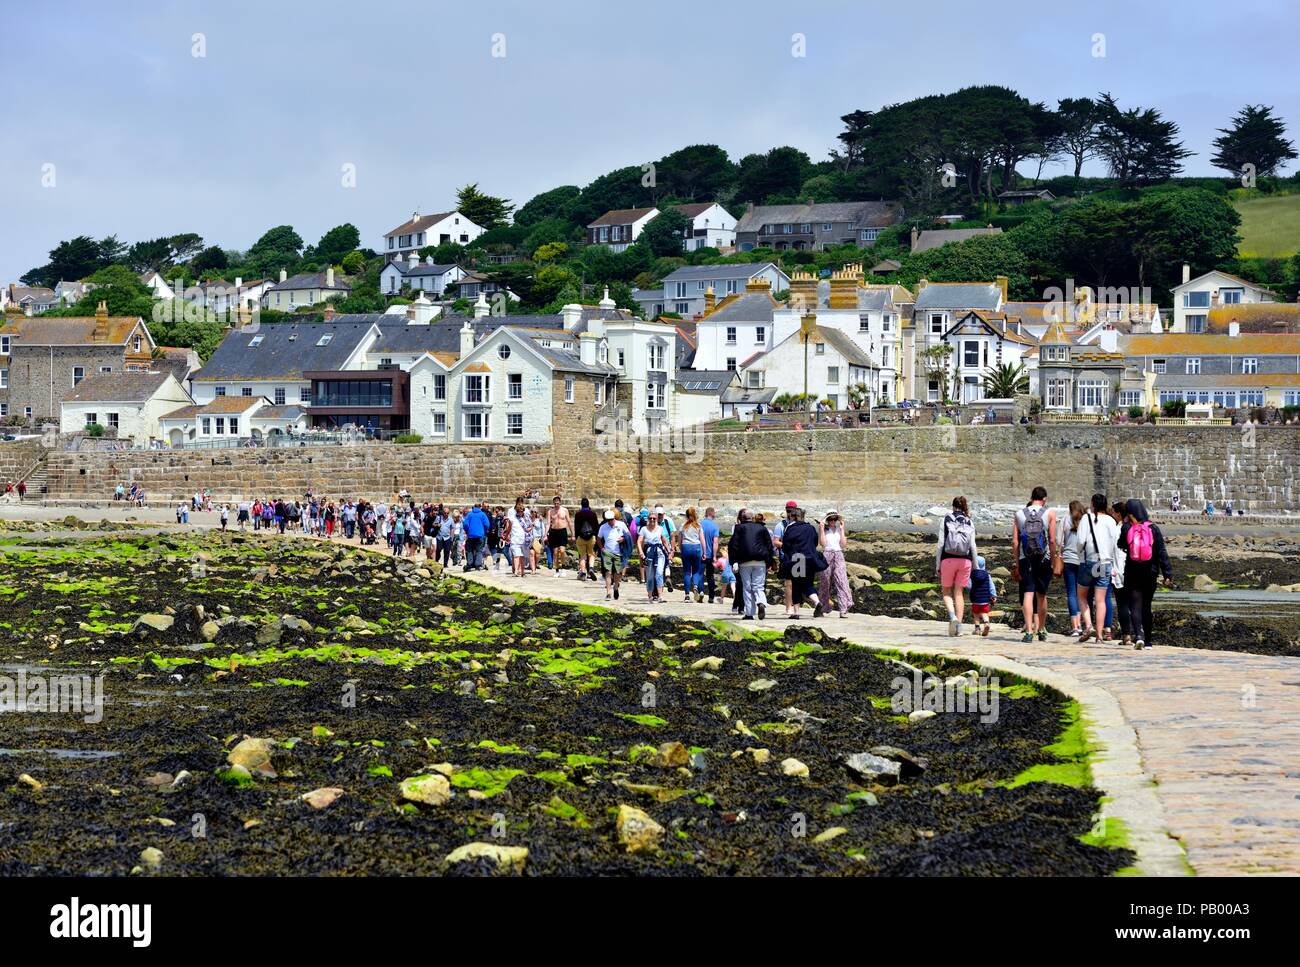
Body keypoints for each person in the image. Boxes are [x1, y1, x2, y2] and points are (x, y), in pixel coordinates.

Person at [1118, 499, 1173, 650]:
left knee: (1135, 605)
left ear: (1130, 513)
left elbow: (1121, 544)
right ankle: (1148, 641)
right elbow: (1162, 552)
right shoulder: (1153, 528)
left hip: (1132, 571)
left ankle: (1138, 636)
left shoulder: (1127, 528)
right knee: (1146, 606)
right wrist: (1168, 574)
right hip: (1150, 572)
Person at [1012, 486, 1057, 643]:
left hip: (1026, 559)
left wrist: (1017, 562)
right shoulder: (1049, 513)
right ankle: (1042, 629)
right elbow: (1052, 540)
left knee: (1028, 594)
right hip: (1043, 558)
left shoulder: (1019, 514)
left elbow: (1015, 541)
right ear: (1044, 499)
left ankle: (1029, 631)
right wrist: (1053, 559)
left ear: (1031, 497)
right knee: (1042, 594)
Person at [1077, 493, 1120, 644]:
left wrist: (1079, 552)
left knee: (1081, 595)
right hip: (1105, 563)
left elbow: (1081, 541)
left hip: (1089, 561)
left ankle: (1089, 625)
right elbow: (1115, 543)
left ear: (1093, 504)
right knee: (1101, 600)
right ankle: (1100, 635)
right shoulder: (1111, 520)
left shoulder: (1086, 518)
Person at [936, 496, 978, 636]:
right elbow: (973, 546)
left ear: (953, 506)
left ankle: (952, 617)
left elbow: (941, 544)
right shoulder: (969, 521)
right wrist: (975, 566)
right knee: (959, 593)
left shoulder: (946, 519)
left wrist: (937, 564)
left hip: (947, 560)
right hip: (965, 561)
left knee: (946, 591)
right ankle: (959, 628)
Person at [727, 508, 775, 620]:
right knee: (758, 586)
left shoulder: (739, 528)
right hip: (760, 560)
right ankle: (761, 602)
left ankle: (749, 613)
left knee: (747, 587)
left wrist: (733, 561)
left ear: (742, 518)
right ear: (752, 518)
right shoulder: (761, 528)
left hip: (745, 561)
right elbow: (769, 545)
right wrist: (769, 561)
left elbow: (733, 545)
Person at [778, 507, 824, 619]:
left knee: (796, 585)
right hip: (811, 559)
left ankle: (796, 612)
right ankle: (817, 602)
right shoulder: (810, 527)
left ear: (793, 517)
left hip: (797, 559)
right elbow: (815, 542)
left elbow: (786, 545)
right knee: (808, 584)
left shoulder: (790, 528)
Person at [1057, 500, 1090, 638]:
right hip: (1083, 560)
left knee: (1071, 593)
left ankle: (1075, 626)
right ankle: (1086, 624)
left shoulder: (1065, 520)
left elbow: (1059, 541)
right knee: (1083, 595)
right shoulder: (1086, 521)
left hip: (1069, 559)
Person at [817, 511, 852, 618]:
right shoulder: (824, 530)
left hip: (838, 554)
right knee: (825, 581)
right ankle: (823, 607)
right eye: (830, 519)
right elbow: (822, 544)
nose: (832, 521)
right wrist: (821, 529)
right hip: (827, 554)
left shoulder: (838, 530)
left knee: (842, 581)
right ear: (827, 520)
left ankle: (843, 608)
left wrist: (842, 529)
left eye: (834, 519)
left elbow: (843, 544)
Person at [597, 509, 630, 601]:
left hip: (619, 552)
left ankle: (615, 586)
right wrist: (602, 548)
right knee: (608, 572)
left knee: (617, 573)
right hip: (607, 552)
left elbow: (628, 535)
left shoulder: (621, 524)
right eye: (608, 520)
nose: (610, 522)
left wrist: (623, 539)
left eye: (611, 520)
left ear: (614, 518)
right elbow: (598, 538)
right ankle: (608, 593)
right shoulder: (603, 527)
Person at [638, 510, 670, 603]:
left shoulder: (660, 529)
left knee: (659, 573)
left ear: (656, 519)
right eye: (650, 518)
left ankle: (660, 596)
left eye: (654, 518)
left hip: (659, 553)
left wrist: (669, 551)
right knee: (650, 576)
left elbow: (664, 541)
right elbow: (639, 542)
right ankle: (650, 596)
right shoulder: (644, 529)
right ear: (648, 519)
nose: (652, 520)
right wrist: (641, 552)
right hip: (649, 553)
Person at [676, 507, 705, 603]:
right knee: (696, 571)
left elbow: (679, 541)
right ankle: (696, 586)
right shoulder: (698, 526)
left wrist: (681, 550)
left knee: (687, 572)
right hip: (696, 547)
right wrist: (704, 552)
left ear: (686, 515)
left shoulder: (682, 526)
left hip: (686, 547)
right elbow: (702, 540)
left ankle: (687, 595)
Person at [969, 555, 997, 636]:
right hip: (985, 599)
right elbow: (991, 586)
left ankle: (977, 628)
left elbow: (969, 585)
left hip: (975, 598)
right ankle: (986, 623)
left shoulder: (972, 574)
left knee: (976, 613)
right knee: (984, 613)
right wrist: (994, 595)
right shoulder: (987, 575)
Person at [572, 498, 600, 581]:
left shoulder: (578, 514)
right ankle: (591, 568)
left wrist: (576, 537)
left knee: (582, 556)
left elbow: (576, 527)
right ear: (588, 504)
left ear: (581, 505)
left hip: (581, 538)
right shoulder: (593, 514)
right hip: (591, 537)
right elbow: (596, 526)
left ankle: (583, 571)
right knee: (591, 554)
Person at [545, 496, 571, 574]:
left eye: (557, 503)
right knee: (555, 552)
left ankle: (563, 567)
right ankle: (557, 570)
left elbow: (569, 521)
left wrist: (573, 534)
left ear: (560, 503)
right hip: (554, 532)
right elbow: (548, 523)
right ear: (553, 503)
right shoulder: (550, 511)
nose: (556, 505)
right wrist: (545, 534)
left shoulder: (564, 510)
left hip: (562, 531)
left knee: (562, 551)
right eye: (555, 503)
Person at [700, 507, 720, 604]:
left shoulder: (699, 524)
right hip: (710, 555)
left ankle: (701, 592)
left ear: (705, 513)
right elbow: (715, 543)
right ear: (713, 514)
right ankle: (711, 596)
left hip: (700, 553)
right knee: (710, 576)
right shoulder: (715, 526)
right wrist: (715, 556)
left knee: (699, 574)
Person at [463, 500, 490, 571]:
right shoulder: (482, 514)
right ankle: (478, 565)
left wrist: (468, 531)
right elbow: (487, 524)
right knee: (479, 550)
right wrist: (483, 531)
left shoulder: (470, 514)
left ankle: (469, 564)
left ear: (473, 507)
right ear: (480, 507)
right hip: (480, 535)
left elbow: (465, 524)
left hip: (471, 535)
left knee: (470, 550)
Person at [506, 498, 529, 577]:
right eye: (519, 511)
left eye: (522, 511)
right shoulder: (512, 518)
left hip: (524, 539)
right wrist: (507, 535)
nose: (520, 512)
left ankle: (522, 571)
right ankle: (516, 570)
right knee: (516, 555)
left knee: (522, 556)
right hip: (515, 539)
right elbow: (509, 527)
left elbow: (530, 527)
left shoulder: (525, 519)